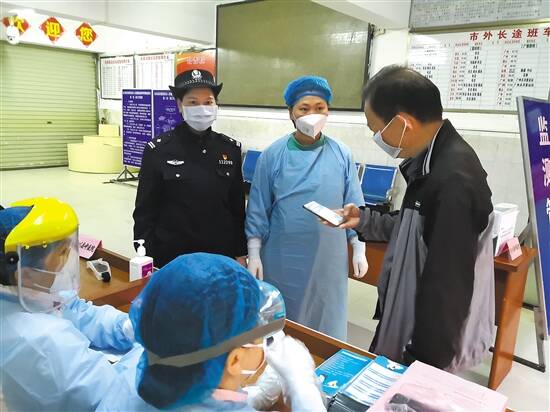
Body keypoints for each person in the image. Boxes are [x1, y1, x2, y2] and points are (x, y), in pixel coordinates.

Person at [332, 66, 495, 372]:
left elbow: (447, 290)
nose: (376, 137)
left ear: (402, 123)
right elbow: (413, 226)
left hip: (421, 347)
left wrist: (420, 367)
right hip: (404, 319)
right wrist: (364, 220)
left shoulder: (454, 181)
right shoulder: (430, 161)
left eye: (376, 128)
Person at [97, 252, 326, 411]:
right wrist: (304, 392)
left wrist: (250, 397)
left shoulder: (135, 373)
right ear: (235, 360)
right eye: (261, 339)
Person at [245, 75, 368, 341]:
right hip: (282, 257)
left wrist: (358, 246)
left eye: (319, 107)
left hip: (328, 258)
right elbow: (258, 208)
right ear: (291, 112)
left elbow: (354, 206)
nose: (312, 114)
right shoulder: (273, 155)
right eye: (304, 108)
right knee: (281, 326)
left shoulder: (341, 154)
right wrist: (254, 253)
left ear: (328, 111)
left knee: (327, 322)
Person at [0, 197, 135, 411]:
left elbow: (73, 309)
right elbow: (116, 397)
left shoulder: (25, 291)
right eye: (62, 252)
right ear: (25, 272)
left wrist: (126, 325)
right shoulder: (44, 340)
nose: (67, 259)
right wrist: (151, 351)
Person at [133, 69, 247, 268]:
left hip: (219, 255)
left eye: (208, 102)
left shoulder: (230, 149)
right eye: (193, 102)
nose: (202, 108)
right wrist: (146, 258)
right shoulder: (158, 150)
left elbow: (237, 208)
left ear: (216, 105)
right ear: (180, 105)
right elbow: (145, 211)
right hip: (172, 257)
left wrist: (240, 251)